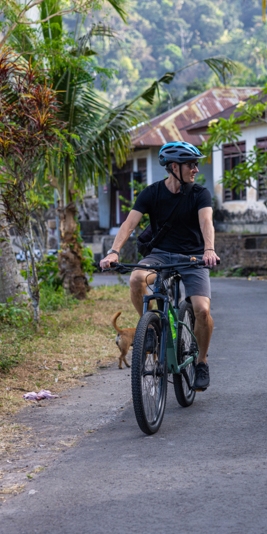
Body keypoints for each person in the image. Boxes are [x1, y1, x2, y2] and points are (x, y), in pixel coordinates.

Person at [100, 141, 219, 391]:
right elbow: (129, 225)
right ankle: (151, 327)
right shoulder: (151, 193)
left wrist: (209, 249)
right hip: (160, 255)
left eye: (196, 164)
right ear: (174, 167)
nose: (196, 169)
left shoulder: (200, 194)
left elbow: (207, 221)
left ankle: (201, 362)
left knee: (202, 310)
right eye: (191, 164)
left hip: (194, 257)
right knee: (136, 279)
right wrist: (113, 251)